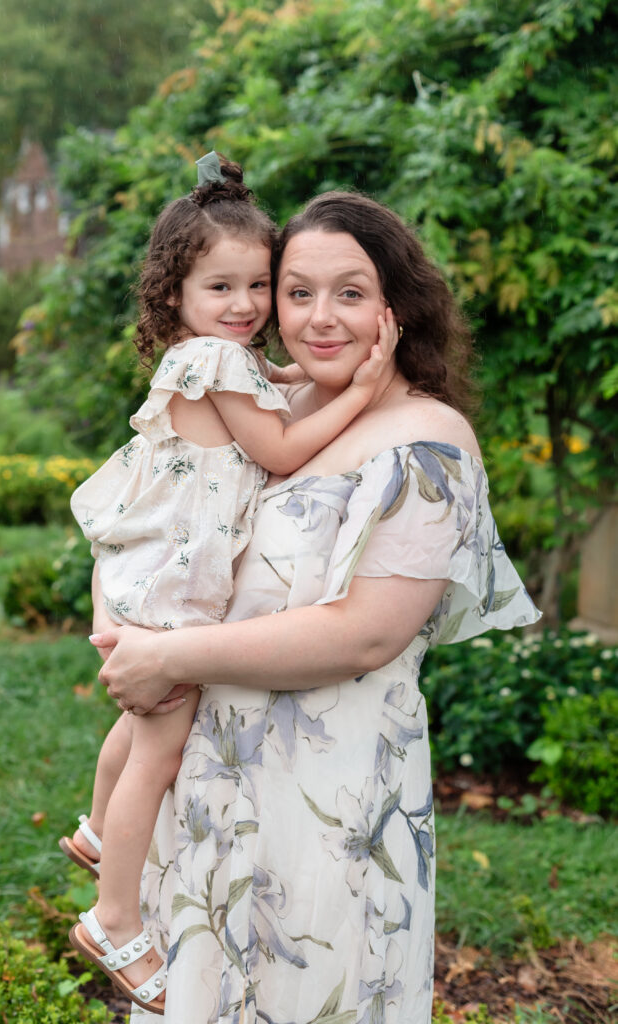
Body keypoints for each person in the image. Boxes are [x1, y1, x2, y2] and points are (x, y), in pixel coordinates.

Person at [88, 190, 541, 1024]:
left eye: (350, 293)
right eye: (296, 293)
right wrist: (120, 620)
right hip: (210, 789)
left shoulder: (424, 441)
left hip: (323, 804)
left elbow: (365, 634)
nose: (318, 318)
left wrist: (168, 657)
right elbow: (154, 511)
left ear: (396, 307)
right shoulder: (269, 409)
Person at [62, 158, 390, 1014]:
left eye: (257, 284)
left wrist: (302, 381)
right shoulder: (212, 358)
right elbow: (281, 449)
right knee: (161, 747)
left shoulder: (209, 357)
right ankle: (113, 917)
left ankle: (98, 831)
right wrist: (359, 391)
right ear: (176, 293)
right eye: (220, 286)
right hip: (174, 588)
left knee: (137, 728)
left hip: (150, 572)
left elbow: (273, 391)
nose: (244, 305)